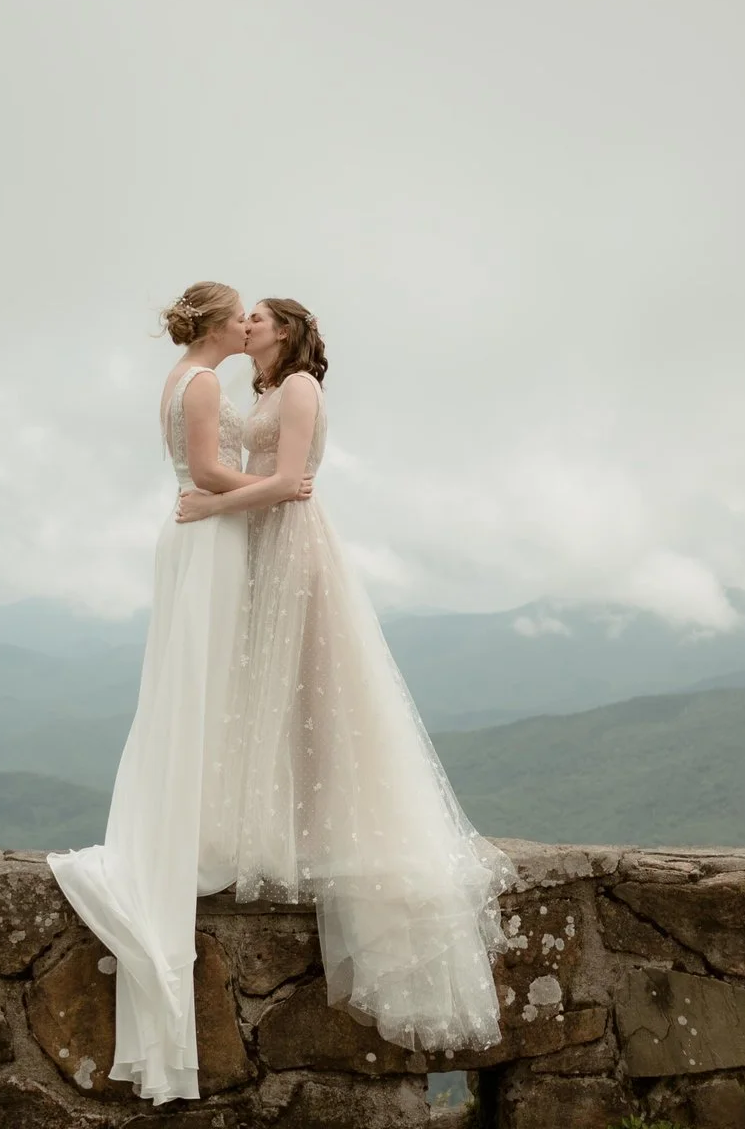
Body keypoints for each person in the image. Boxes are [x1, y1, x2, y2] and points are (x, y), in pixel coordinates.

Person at [181, 297, 514, 1055]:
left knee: (311, 690)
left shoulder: (297, 389)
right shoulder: (259, 392)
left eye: (262, 316)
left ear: (289, 333)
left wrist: (208, 503)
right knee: (265, 692)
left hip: (292, 542)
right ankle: (275, 831)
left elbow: (293, 482)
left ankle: (323, 835)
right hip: (259, 542)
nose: (250, 322)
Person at [47, 282, 309, 1104]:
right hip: (209, 536)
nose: (247, 325)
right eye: (239, 315)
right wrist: (271, 491)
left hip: (213, 532)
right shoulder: (200, 384)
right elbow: (201, 469)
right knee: (197, 687)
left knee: (206, 686)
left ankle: (201, 830)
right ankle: (178, 840)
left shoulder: (205, 381)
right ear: (213, 326)